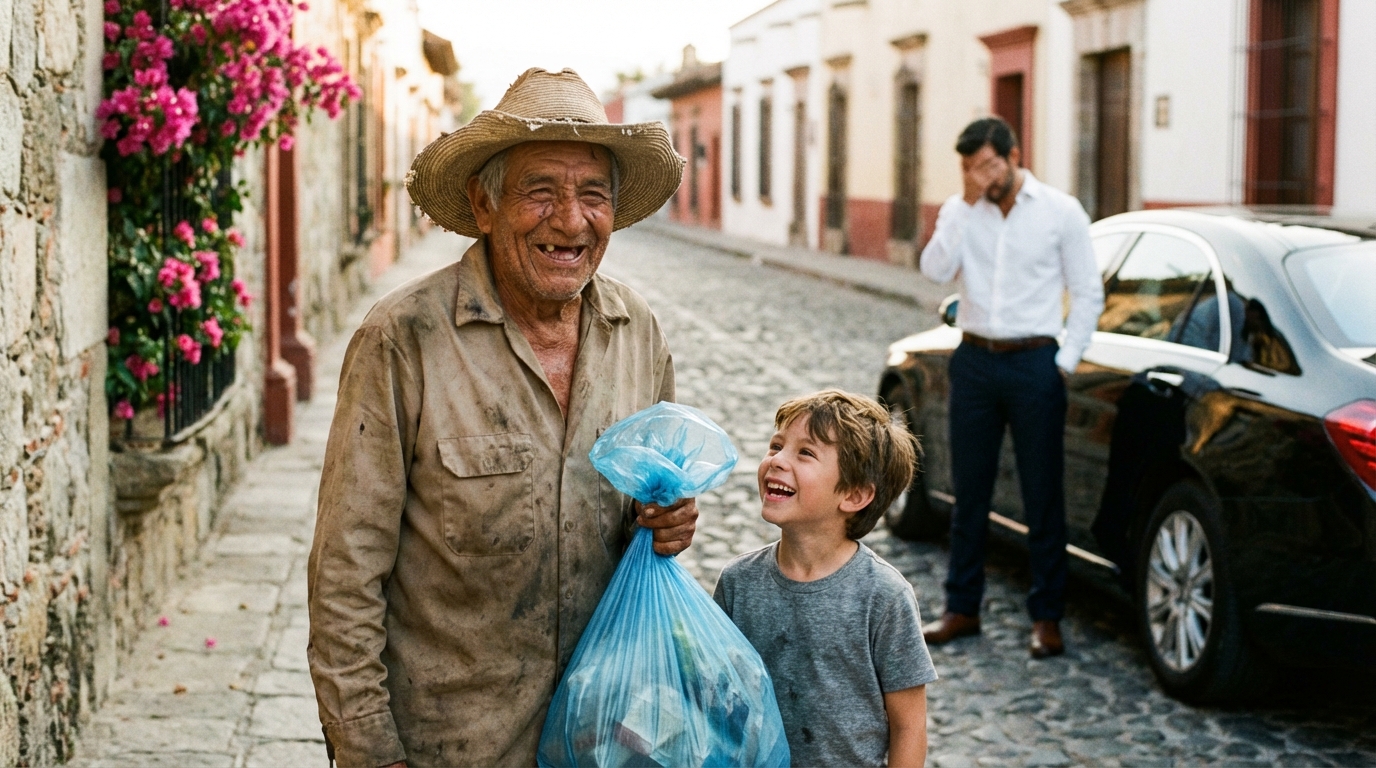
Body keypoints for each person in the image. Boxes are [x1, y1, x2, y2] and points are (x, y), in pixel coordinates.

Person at [306, 68, 698, 768]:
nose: (570, 221)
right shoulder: (404, 338)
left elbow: (650, 506)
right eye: (540, 191)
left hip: (603, 735)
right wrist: (368, 749)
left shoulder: (638, 332)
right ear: (483, 207)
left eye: (592, 195)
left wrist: (665, 520)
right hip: (451, 745)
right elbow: (346, 571)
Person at [918, 117, 1104, 659]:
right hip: (975, 359)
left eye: (988, 165)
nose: (981, 176)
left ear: (1013, 155)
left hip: (1034, 364)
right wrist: (957, 210)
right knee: (968, 489)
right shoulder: (961, 210)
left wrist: (1063, 364)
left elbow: (1087, 292)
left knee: (1041, 491)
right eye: (971, 168)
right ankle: (961, 608)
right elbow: (934, 270)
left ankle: (1047, 617)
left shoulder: (1060, 212)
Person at [713, 390, 937, 768]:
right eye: (776, 445)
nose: (777, 461)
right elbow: (719, 698)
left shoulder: (883, 596)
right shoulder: (738, 582)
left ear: (854, 495)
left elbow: (909, 726)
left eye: (805, 453)